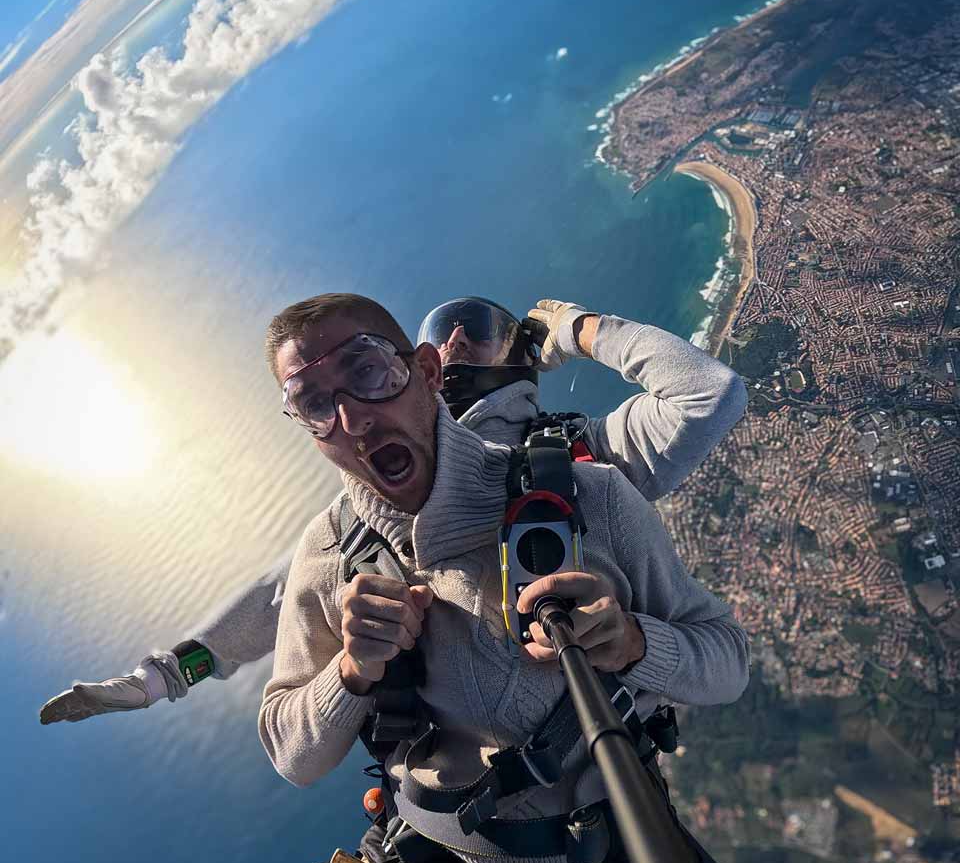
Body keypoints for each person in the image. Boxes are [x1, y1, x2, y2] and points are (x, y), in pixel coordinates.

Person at [53, 294, 821, 863]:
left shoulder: (582, 478)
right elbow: (266, 634)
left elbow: (722, 633)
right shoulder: (341, 549)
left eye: (371, 371)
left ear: (427, 373)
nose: (350, 413)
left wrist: (635, 642)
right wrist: (338, 668)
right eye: (316, 402)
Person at [39, 297, 747, 724]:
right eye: (443, 332)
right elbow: (279, 597)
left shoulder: (578, 457)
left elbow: (707, 394)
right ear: (421, 367)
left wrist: (580, 328)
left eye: (478, 326)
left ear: (521, 358)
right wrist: (162, 675)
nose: (457, 341)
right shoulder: (373, 511)